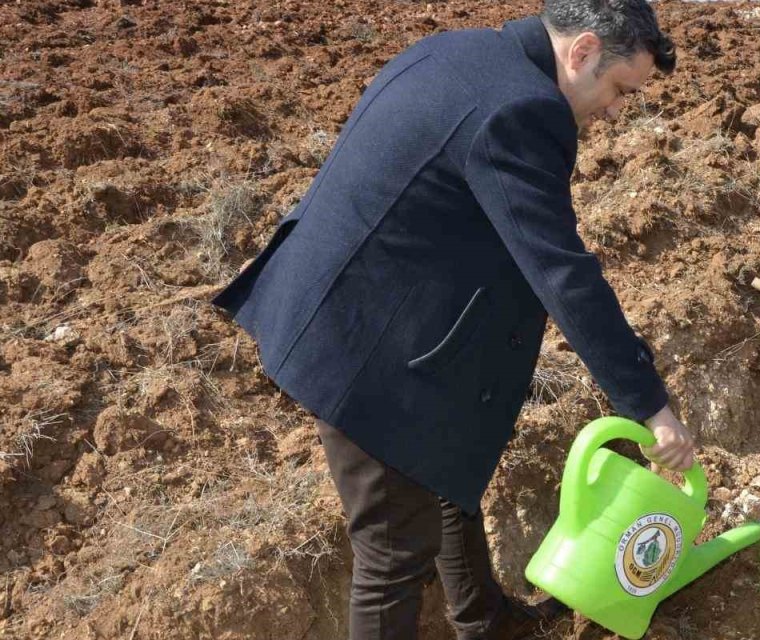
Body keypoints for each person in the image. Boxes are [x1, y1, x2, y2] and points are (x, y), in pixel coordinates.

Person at [211, 2, 697, 638]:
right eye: (617, 89)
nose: (613, 110)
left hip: (354, 306)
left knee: (442, 471)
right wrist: (648, 403)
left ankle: (485, 623)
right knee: (391, 559)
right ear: (581, 52)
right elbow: (560, 272)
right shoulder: (522, 110)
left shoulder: (459, 51)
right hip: (367, 355)